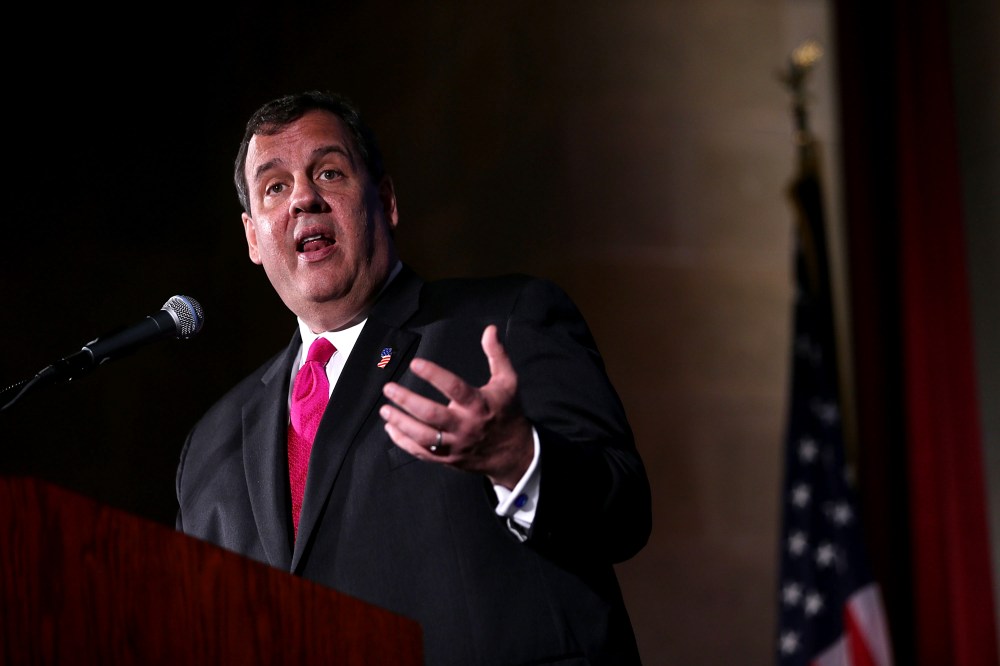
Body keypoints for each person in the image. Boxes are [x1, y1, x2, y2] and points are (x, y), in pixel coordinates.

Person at [175, 90, 652, 666]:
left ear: (386, 200)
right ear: (253, 237)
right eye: (275, 186)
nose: (304, 197)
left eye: (329, 172)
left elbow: (623, 512)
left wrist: (515, 457)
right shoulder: (210, 444)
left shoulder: (502, 321)